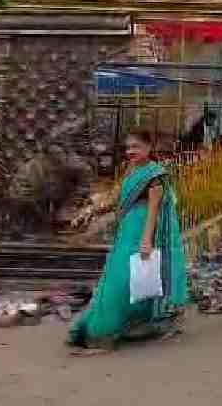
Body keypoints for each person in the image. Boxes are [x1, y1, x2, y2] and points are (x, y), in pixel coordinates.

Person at [69, 130, 188, 353]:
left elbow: (153, 210)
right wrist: (92, 210)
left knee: (121, 282)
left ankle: (102, 335)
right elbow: (117, 197)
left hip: (141, 233)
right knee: (119, 280)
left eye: (136, 147)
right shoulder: (132, 170)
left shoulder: (155, 175)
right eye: (128, 147)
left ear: (149, 148)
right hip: (127, 231)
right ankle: (116, 326)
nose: (131, 151)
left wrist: (146, 242)